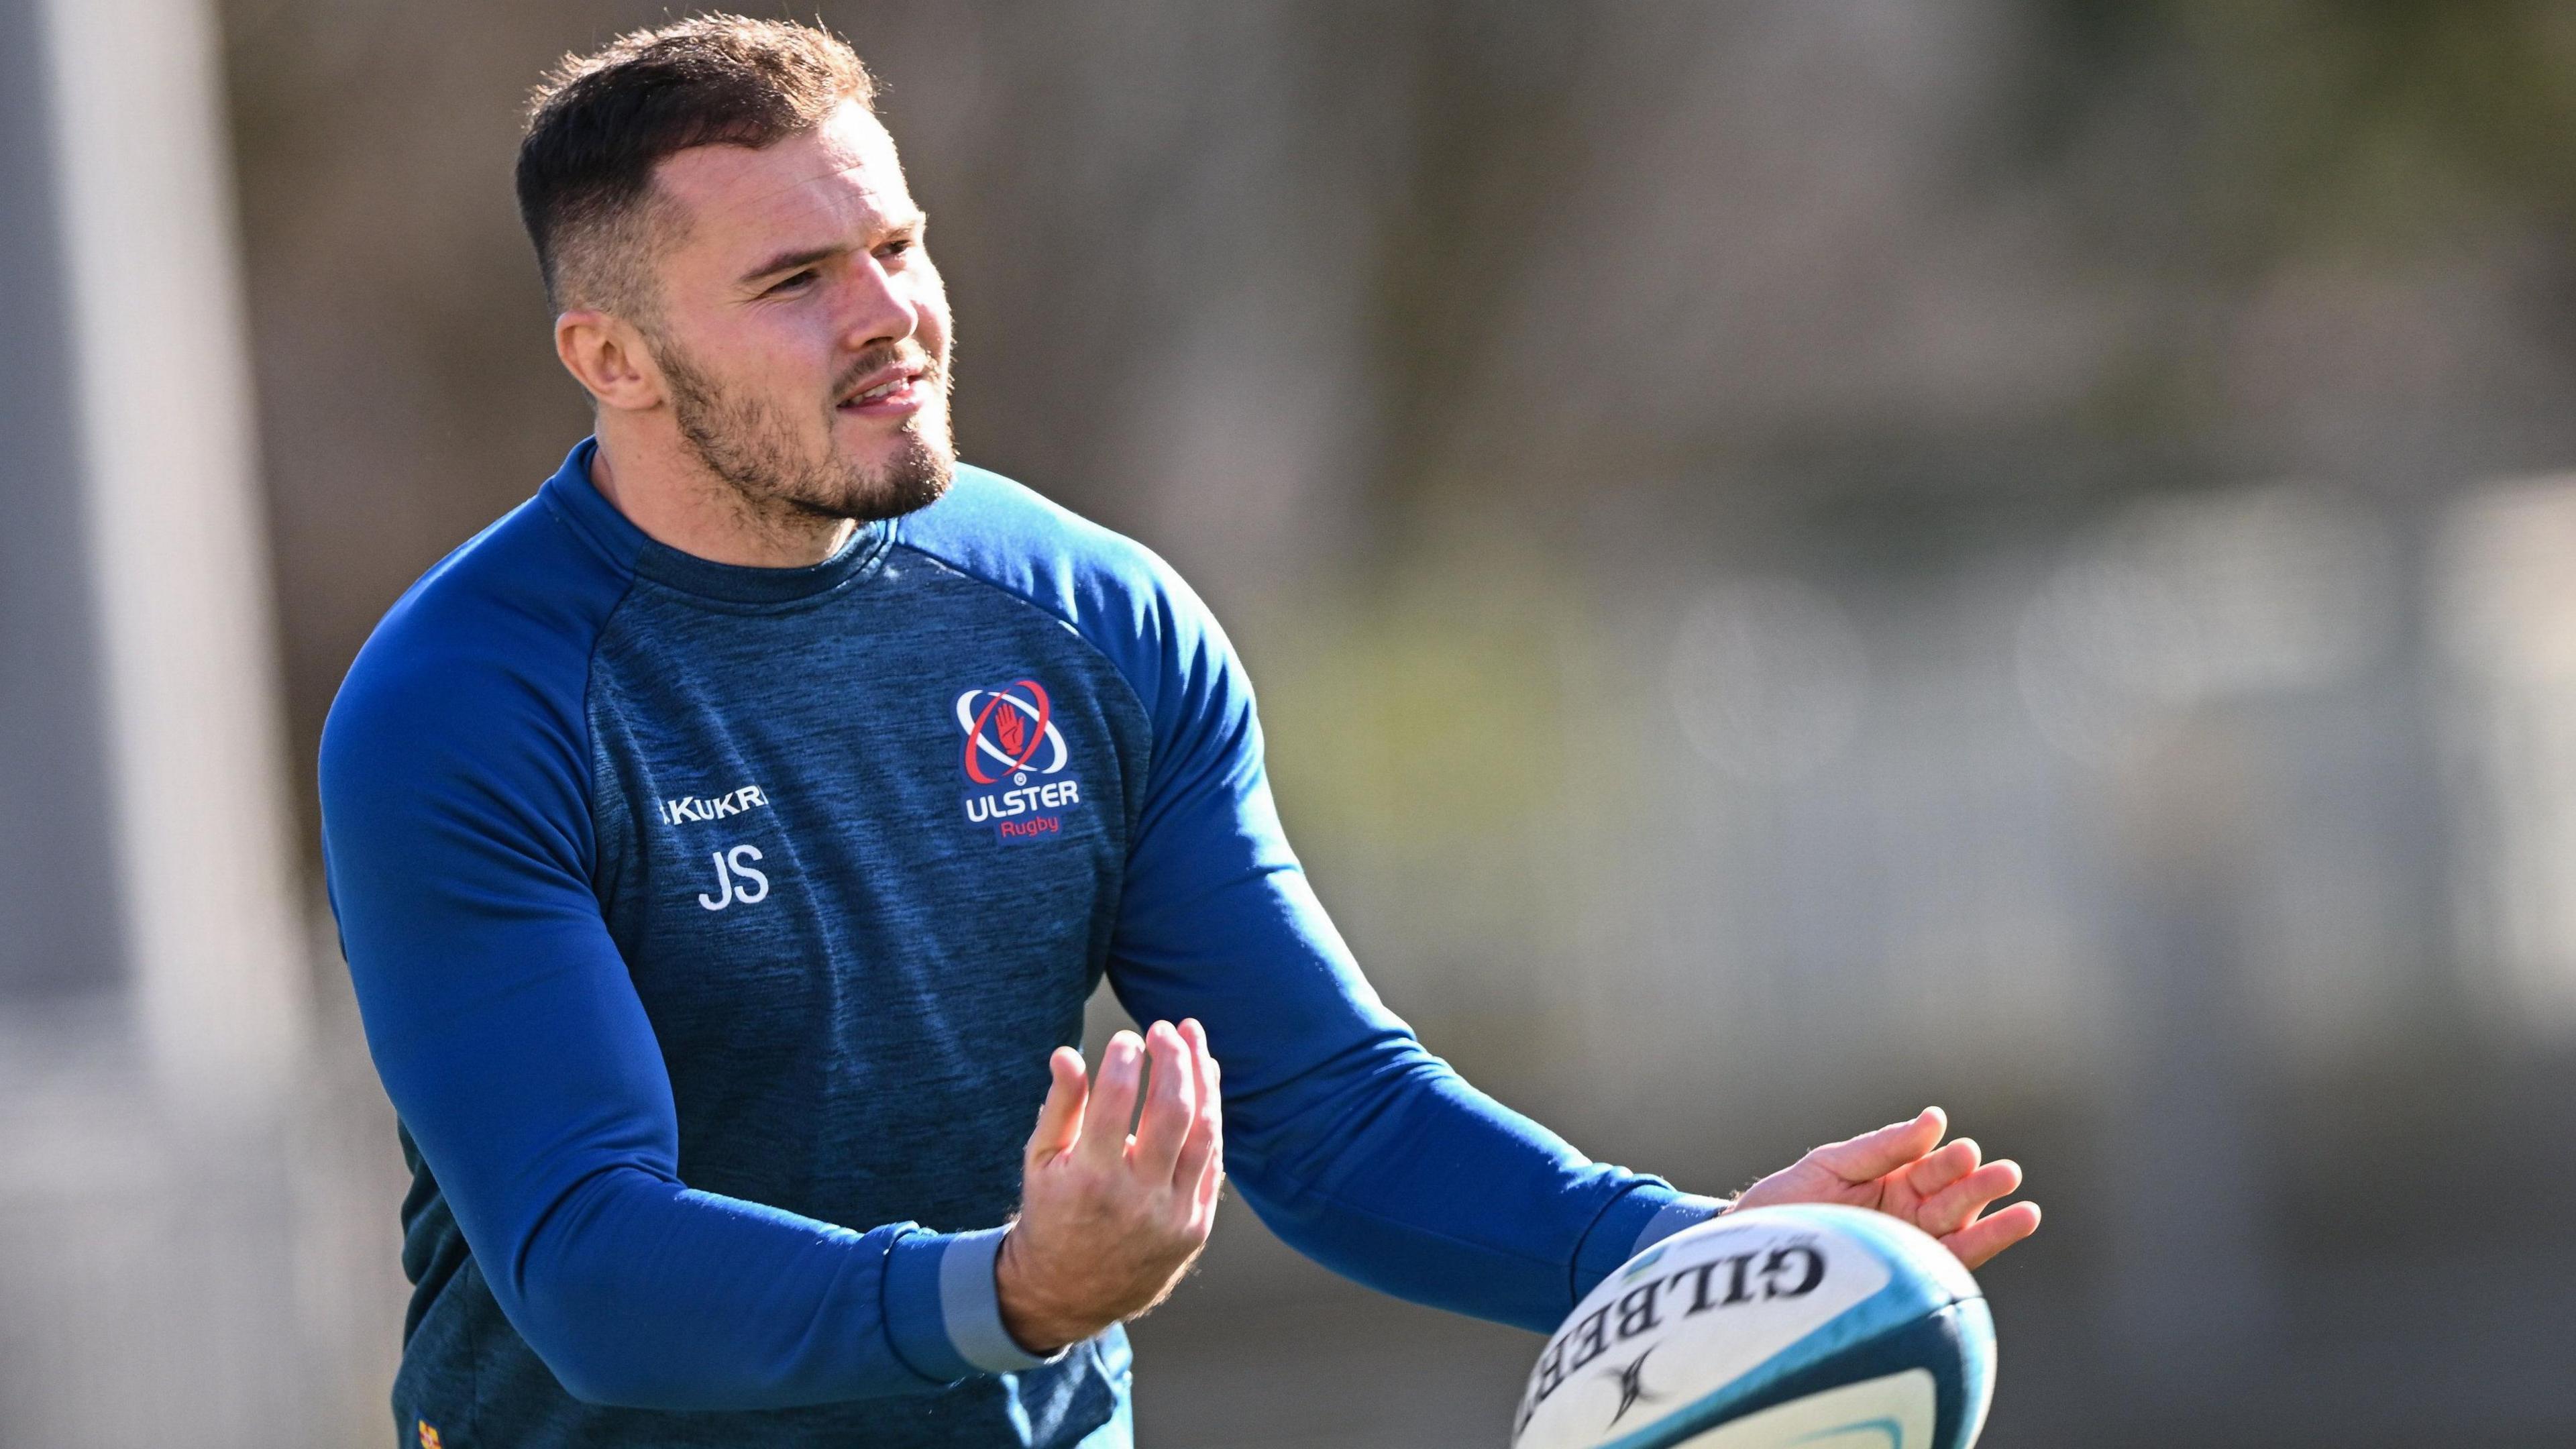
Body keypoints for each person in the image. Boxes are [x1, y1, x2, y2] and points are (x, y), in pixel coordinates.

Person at [319, 15, 2040, 1448]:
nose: (888, 318)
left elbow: (1328, 1110)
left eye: (897, 247)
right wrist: (1007, 1294)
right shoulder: (466, 707)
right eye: (793, 280)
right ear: (611, 354)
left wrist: (1678, 1254)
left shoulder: (1099, 621)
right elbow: (591, 1268)